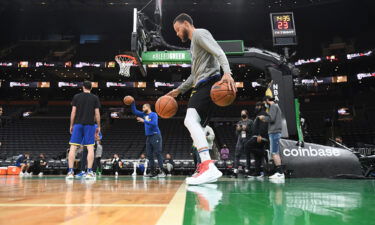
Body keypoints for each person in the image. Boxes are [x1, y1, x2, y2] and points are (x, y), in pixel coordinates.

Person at [167, 13, 236, 185]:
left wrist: (227, 73)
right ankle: (205, 160)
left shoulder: (199, 34)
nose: (177, 33)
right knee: (198, 126)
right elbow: (193, 75)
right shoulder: (193, 44)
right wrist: (178, 91)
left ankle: (207, 166)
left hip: (208, 84)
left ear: (185, 24)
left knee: (190, 120)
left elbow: (219, 52)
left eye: (177, 29)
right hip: (201, 85)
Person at [66, 81, 101, 179]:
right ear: (91, 88)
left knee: (73, 147)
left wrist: (71, 125)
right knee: (90, 148)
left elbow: (73, 112)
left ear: (83, 87)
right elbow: (97, 114)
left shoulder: (76, 96)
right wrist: (98, 126)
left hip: (78, 124)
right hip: (90, 125)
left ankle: (70, 172)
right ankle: (89, 172)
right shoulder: (95, 98)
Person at [130, 102, 165, 178]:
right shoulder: (144, 114)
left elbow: (154, 124)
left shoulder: (154, 114)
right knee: (149, 155)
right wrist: (132, 102)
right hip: (148, 137)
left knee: (157, 153)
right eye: (142, 108)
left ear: (148, 107)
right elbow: (135, 111)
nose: (142, 109)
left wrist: (144, 121)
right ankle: (153, 172)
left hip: (155, 135)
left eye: (144, 107)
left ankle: (162, 171)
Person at [258, 96, 285, 180]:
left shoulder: (273, 106)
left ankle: (280, 173)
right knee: (275, 153)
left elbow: (271, 119)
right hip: (275, 132)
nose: (264, 105)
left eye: (264, 103)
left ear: (266, 100)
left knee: (274, 153)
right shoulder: (276, 106)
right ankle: (279, 172)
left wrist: (263, 118)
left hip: (274, 132)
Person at [246, 102, 268, 179]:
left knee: (247, 146)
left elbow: (264, 125)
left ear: (261, 106)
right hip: (257, 136)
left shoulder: (263, 114)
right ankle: (257, 172)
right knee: (257, 156)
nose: (256, 107)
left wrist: (260, 135)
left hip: (259, 137)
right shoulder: (258, 114)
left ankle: (263, 153)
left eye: (257, 106)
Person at [232, 110, 253, 178]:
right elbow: (236, 133)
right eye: (241, 114)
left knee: (247, 155)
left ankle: (247, 171)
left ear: (247, 114)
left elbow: (253, 131)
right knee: (237, 155)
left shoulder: (250, 121)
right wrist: (238, 129)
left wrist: (246, 128)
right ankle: (235, 171)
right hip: (240, 140)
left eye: (243, 113)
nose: (242, 115)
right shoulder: (239, 122)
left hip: (247, 139)